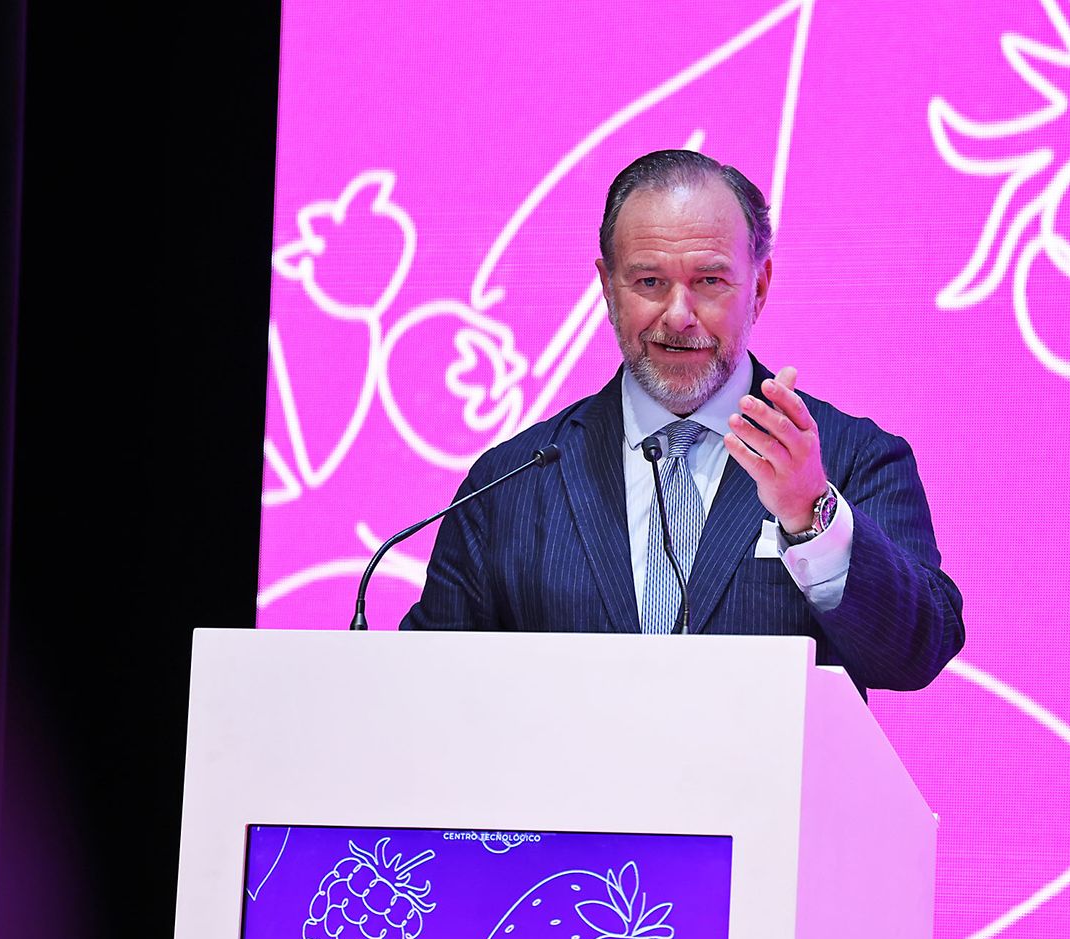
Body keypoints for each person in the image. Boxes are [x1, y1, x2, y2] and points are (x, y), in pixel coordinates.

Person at [402, 149, 963, 693]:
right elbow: (426, 695)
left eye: (709, 282)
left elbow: (916, 656)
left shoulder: (855, 457)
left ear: (759, 288)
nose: (678, 315)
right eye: (649, 282)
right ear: (606, 286)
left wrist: (808, 513)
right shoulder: (511, 483)